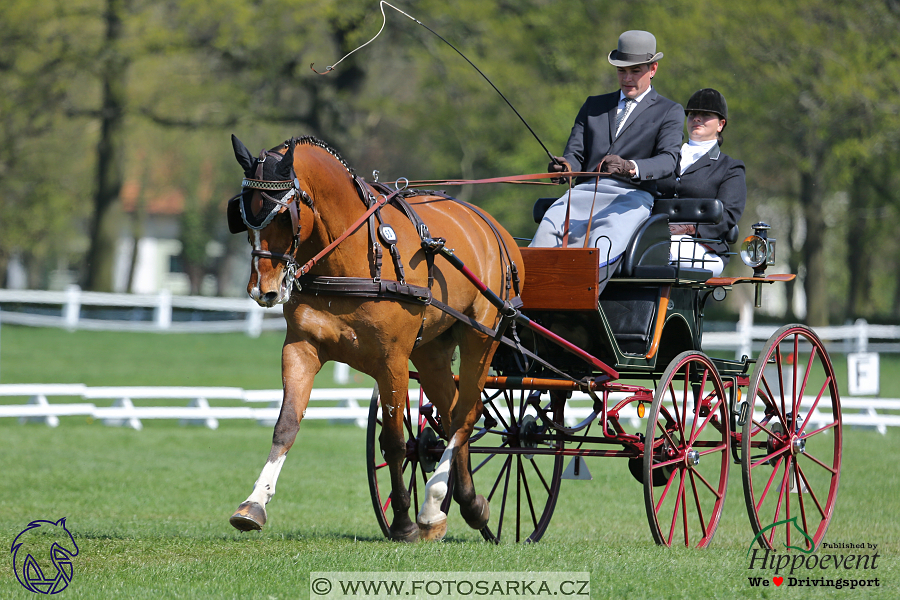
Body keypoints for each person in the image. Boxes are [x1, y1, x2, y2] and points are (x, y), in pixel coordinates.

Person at [530, 30, 684, 289]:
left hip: (630, 198)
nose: (627, 78)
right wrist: (564, 167)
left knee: (603, 241)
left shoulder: (669, 110)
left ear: (653, 68)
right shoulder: (594, 106)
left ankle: (579, 303)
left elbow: (668, 160)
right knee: (547, 230)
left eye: (635, 71)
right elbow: (576, 155)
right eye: (621, 71)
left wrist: (629, 167)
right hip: (582, 193)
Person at [656, 88, 746, 277]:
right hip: (657, 237)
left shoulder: (730, 168)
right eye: (692, 114)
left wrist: (688, 229)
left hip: (705, 247)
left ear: (721, 124)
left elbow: (728, 215)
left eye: (705, 115)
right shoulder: (667, 159)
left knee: (662, 254)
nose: (697, 118)